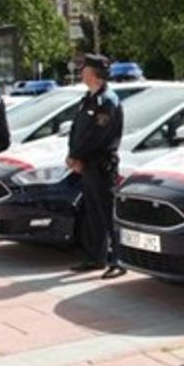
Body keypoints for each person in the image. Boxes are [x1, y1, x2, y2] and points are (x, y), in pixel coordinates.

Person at [65, 54, 125, 278]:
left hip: (101, 164)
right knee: (92, 212)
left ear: (93, 73)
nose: (81, 72)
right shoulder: (88, 99)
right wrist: (72, 154)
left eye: (84, 69)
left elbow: (99, 136)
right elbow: (76, 130)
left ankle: (118, 260)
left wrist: (78, 155)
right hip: (87, 163)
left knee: (107, 213)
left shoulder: (107, 100)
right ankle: (95, 257)